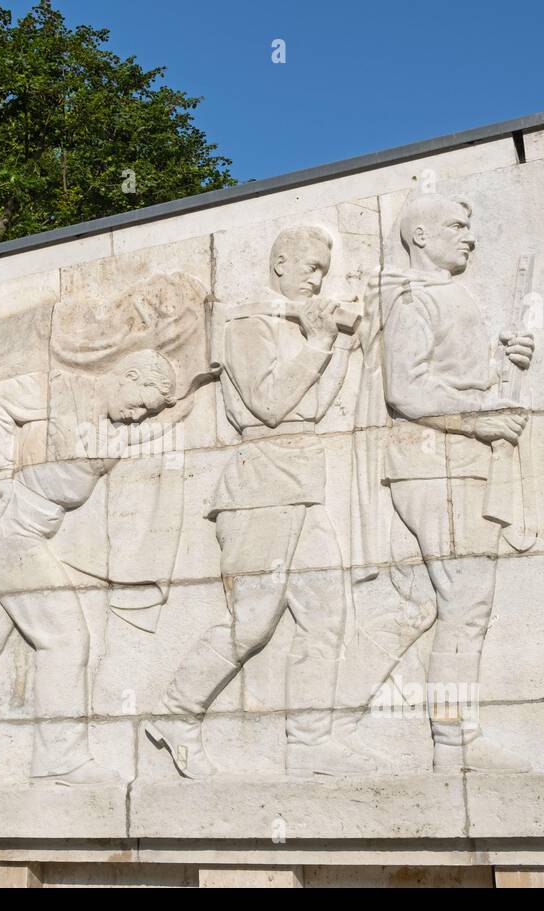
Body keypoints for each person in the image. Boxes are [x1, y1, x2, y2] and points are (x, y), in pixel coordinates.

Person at [145, 226, 377, 779]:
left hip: (305, 486)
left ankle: (310, 741)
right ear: (278, 264)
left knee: (327, 618)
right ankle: (177, 715)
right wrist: (320, 343)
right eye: (309, 266)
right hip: (259, 488)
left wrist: (339, 343)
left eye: (323, 269)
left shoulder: (301, 330)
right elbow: (271, 404)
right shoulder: (248, 325)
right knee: (251, 623)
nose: (316, 278)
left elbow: (316, 405)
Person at [0, 350, 178, 784]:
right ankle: (60, 760)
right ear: (127, 376)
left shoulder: (115, 426)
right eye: (139, 404)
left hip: (22, 535)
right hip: (10, 530)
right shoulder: (62, 388)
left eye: (146, 413)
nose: (138, 416)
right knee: (66, 638)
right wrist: (1, 475)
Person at [379, 193, 535, 772]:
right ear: (420, 235)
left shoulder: (454, 295)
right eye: (457, 226)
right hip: (433, 461)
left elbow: (466, 378)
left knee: (470, 601)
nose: (470, 237)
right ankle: (452, 745)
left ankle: (455, 735)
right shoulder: (413, 299)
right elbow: (405, 390)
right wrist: (482, 416)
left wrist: (508, 360)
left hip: (465, 459)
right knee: (463, 599)